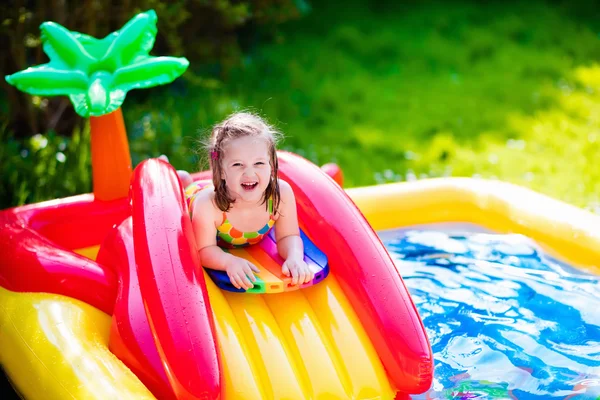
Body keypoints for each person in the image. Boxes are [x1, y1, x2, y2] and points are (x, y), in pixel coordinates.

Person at [181, 112, 314, 290]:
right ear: (219, 170)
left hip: (229, 185)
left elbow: (288, 236)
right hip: (195, 198)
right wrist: (228, 262)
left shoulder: (280, 194)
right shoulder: (208, 205)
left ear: (272, 165)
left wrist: (294, 257)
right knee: (180, 192)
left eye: (259, 163)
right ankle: (181, 180)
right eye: (237, 165)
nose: (250, 173)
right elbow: (204, 250)